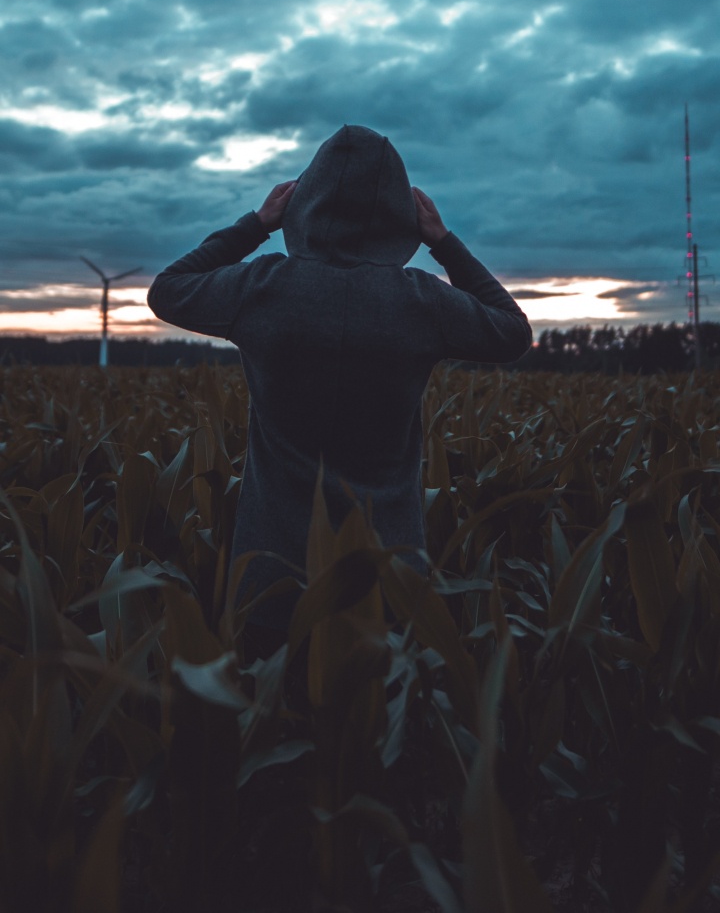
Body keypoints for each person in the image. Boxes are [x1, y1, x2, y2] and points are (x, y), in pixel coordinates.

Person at [147, 124, 532, 655]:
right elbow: (512, 332)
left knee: (272, 726)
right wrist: (443, 244)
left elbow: (167, 290)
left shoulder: (262, 288)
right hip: (388, 577)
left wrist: (255, 225)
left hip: (270, 578)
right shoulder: (421, 302)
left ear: (303, 203)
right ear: (400, 215)